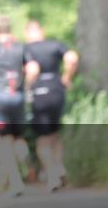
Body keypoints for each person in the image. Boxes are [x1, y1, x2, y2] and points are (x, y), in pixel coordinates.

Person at [24, 20, 79, 192]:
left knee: (42, 138)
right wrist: (67, 77)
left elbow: (32, 69)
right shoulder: (55, 44)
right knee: (55, 133)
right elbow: (72, 57)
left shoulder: (27, 49)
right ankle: (59, 166)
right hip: (57, 89)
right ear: (42, 31)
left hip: (39, 92)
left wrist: (28, 86)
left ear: (27, 33)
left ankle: (52, 173)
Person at [0, 16, 29, 197]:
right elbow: (32, 69)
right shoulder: (21, 46)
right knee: (18, 137)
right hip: (17, 96)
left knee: (4, 141)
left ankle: (16, 182)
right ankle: (23, 153)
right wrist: (25, 86)